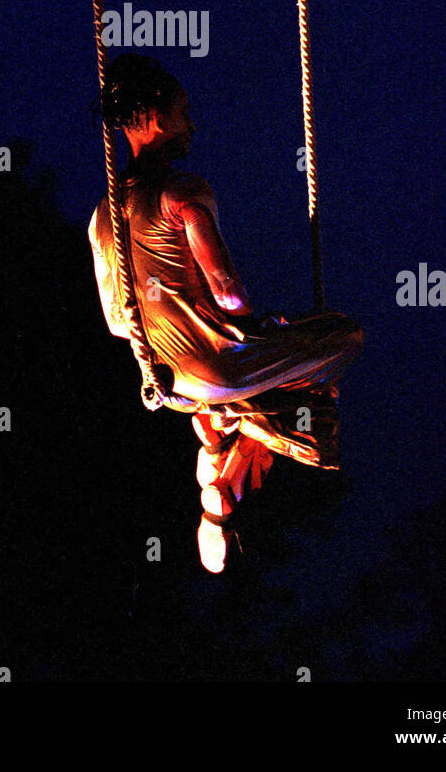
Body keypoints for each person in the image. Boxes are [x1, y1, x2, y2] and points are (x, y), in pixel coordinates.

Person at [88, 53, 364, 572]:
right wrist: (254, 336)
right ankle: (236, 428)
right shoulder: (183, 192)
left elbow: (116, 321)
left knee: (269, 385)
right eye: (184, 110)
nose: (192, 124)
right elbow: (229, 293)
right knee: (343, 338)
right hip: (217, 369)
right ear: (152, 118)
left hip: (169, 385)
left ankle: (223, 482)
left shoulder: (101, 216)